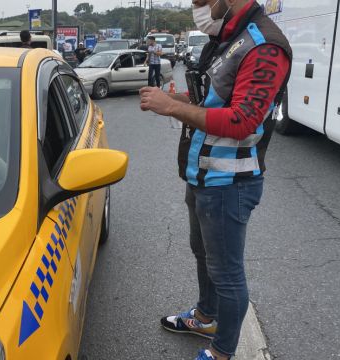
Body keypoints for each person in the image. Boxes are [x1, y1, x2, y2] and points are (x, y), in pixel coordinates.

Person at [139, 1, 292, 359]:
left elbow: (242, 120)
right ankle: (207, 317)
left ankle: (223, 351)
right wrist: (178, 98)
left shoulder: (264, 45)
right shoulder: (229, 37)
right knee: (202, 254)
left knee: (227, 273)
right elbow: (216, 99)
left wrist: (174, 107)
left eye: (200, 0)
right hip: (204, 175)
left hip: (230, 184)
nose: (197, 6)